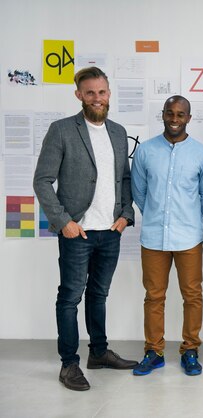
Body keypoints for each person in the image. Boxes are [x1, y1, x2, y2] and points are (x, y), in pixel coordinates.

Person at [33, 66, 137, 391]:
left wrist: (125, 214)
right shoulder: (62, 130)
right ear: (79, 94)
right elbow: (42, 180)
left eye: (102, 92)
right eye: (90, 92)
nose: (97, 98)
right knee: (70, 297)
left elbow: (125, 178)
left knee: (99, 295)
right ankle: (69, 364)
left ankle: (99, 353)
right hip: (77, 232)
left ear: (109, 94)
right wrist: (64, 222)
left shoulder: (118, 133)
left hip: (110, 231)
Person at [130, 96, 203, 376]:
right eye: (170, 113)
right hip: (153, 237)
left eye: (181, 114)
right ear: (163, 114)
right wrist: (154, 214)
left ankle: (190, 349)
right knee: (154, 296)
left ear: (189, 118)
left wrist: (187, 219)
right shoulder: (146, 152)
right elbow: (139, 193)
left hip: (189, 236)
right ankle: (153, 352)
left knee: (192, 295)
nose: (174, 118)